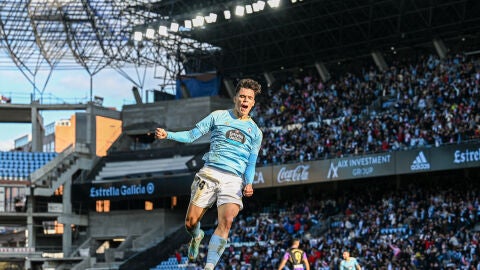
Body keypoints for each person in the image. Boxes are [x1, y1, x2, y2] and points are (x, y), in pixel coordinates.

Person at [155, 78, 263, 270]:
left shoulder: (255, 132)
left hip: (234, 179)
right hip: (210, 173)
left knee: (227, 221)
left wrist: (249, 183)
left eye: (249, 98)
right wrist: (168, 134)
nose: (245, 100)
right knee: (190, 223)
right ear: (235, 98)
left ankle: (209, 266)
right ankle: (197, 235)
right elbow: (190, 135)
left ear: (253, 102)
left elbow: (251, 163)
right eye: (242, 96)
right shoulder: (218, 116)